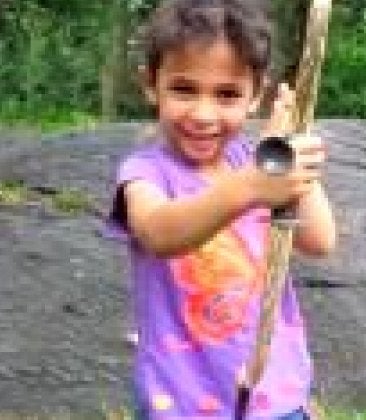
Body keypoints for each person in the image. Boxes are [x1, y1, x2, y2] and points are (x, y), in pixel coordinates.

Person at [105, 0, 336, 418]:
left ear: (255, 96)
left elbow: (319, 241)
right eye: (184, 89)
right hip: (182, 398)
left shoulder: (254, 161)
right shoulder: (145, 172)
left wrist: (286, 156)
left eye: (227, 94)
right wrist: (248, 185)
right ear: (150, 84)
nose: (203, 113)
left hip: (272, 392)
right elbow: (158, 233)